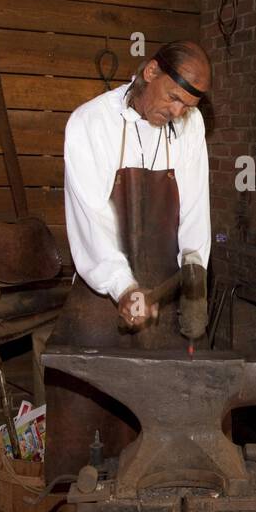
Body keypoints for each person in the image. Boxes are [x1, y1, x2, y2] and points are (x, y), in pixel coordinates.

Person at [44, 40, 212, 480]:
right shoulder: (90, 124)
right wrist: (124, 286)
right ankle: (85, 507)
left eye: (189, 105)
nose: (179, 112)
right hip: (103, 291)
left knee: (174, 413)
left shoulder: (190, 127)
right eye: (174, 98)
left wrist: (194, 274)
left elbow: (195, 209)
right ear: (150, 71)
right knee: (91, 413)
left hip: (164, 290)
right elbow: (92, 219)